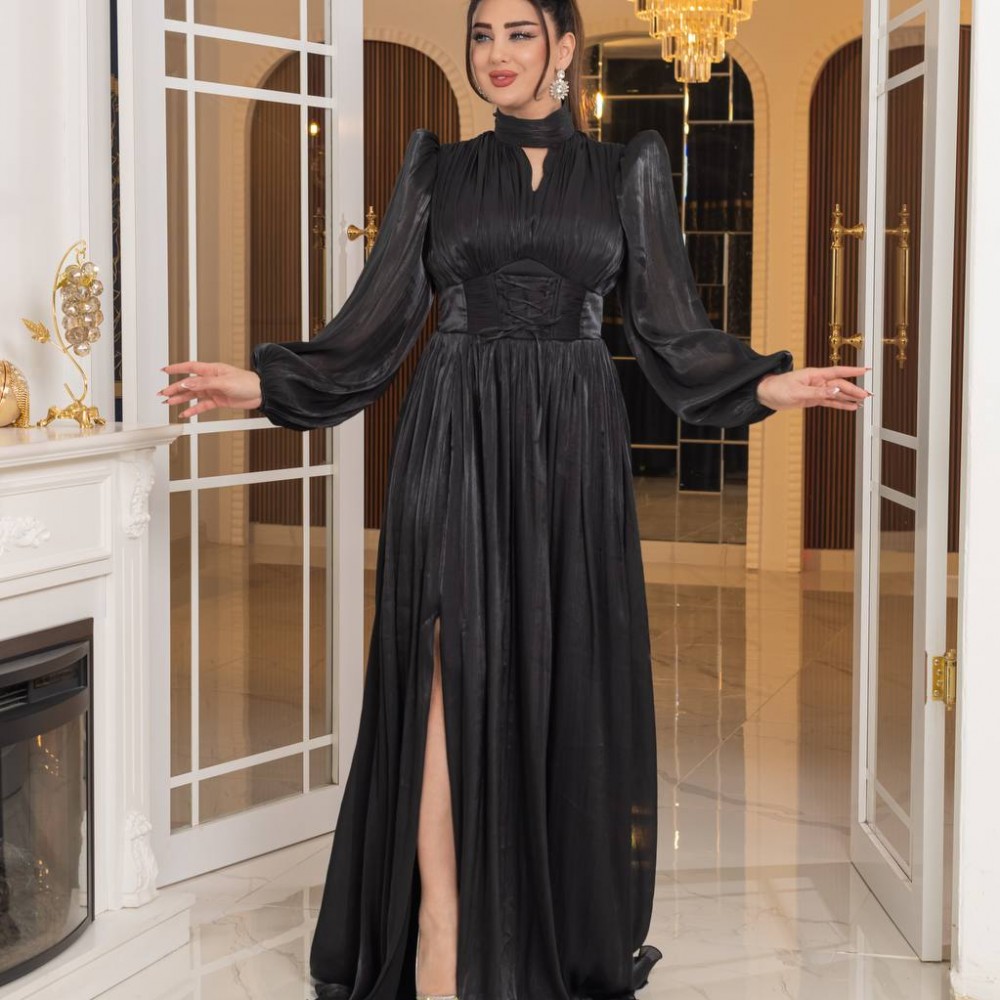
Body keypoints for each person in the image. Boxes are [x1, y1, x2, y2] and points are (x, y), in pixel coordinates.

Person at [160, 0, 871, 996]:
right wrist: (265, 380)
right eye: (483, 35)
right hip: (453, 431)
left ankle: (536, 915)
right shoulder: (438, 169)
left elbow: (670, 327)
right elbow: (378, 317)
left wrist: (767, 383)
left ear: (563, 48)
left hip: (572, 445)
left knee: (554, 668)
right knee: (441, 665)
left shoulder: (627, 170)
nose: (497, 53)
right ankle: (441, 927)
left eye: (520, 33)